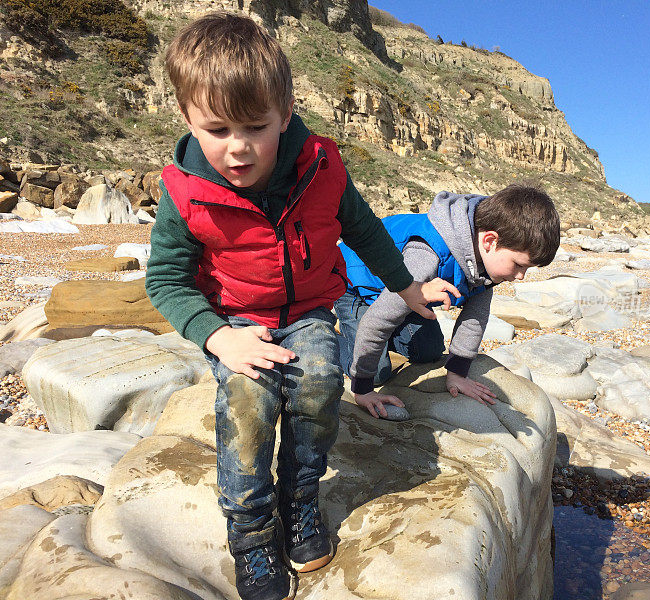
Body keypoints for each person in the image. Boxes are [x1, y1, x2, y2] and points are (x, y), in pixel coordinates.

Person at [144, 13, 456, 600]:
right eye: (216, 130)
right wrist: (218, 338)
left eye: (255, 127)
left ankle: (300, 497)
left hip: (311, 309)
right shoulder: (185, 191)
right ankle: (252, 532)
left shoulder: (321, 165)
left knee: (317, 383)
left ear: (285, 115)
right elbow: (165, 280)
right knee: (247, 401)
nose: (237, 148)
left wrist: (408, 289)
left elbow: (364, 230)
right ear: (187, 118)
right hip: (236, 318)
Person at [335, 186, 561, 419]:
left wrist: (457, 374)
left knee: (429, 349)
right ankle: (334, 340)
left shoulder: (485, 266)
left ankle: (375, 338)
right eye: (519, 265)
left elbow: (475, 316)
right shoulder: (428, 255)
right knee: (377, 372)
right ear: (490, 241)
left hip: (407, 295)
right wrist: (362, 390)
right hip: (356, 285)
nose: (521, 276)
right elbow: (379, 319)